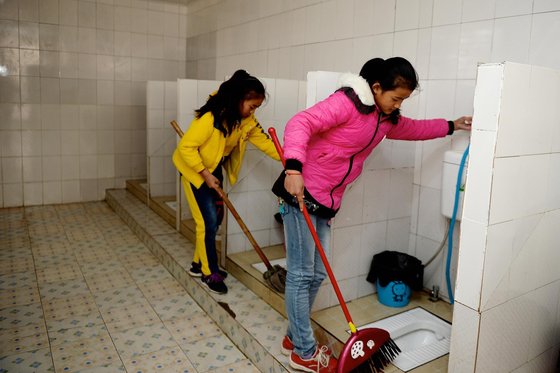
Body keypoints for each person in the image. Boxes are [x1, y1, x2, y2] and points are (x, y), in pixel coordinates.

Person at [272, 57, 471, 373]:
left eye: (403, 100)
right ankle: (303, 352)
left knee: (317, 274)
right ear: (376, 88)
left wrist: (451, 125)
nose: (398, 105)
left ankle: (293, 337)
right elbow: (300, 123)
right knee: (301, 273)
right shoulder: (348, 103)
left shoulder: (384, 118)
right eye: (396, 98)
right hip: (301, 194)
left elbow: (414, 129)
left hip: (326, 202)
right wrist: (293, 167)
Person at [173, 70, 280, 295]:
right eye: (252, 106)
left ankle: (197, 264)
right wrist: (204, 173)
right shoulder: (210, 119)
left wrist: (291, 160)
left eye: (256, 108)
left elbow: (265, 143)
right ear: (238, 100)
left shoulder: (246, 121)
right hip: (195, 171)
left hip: (214, 169)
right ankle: (208, 272)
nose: (253, 111)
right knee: (207, 222)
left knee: (215, 219)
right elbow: (185, 148)